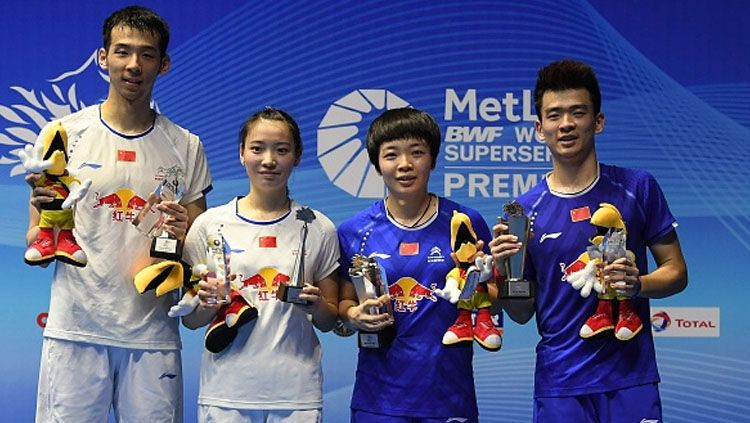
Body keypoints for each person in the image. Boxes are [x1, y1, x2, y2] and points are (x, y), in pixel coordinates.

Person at [26, 6, 212, 422]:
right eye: (123, 51)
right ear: (102, 57)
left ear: (163, 64)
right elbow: (33, 238)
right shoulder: (63, 135)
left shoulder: (186, 145)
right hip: (75, 330)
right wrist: (44, 216)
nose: (133, 65)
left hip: (153, 335)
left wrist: (186, 234)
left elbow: (200, 247)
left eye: (146, 55)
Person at [489, 59, 688, 423]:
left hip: (631, 380)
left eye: (577, 112)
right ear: (539, 128)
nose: (566, 124)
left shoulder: (637, 188)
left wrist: (638, 284)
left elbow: (676, 272)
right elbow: (520, 314)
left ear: (598, 121)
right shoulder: (524, 212)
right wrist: (505, 270)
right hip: (560, 385)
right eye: (554, 115)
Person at [338, 107, 500, 423]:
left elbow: (493, 296)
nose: (405, 165)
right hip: (378, 400)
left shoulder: (465, 222)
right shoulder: (354, 231)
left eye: (417, 153)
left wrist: (477, 283)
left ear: (433, 159)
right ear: (376, 164)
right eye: (391, 155)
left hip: (449, 396)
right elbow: (344, 304)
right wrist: (353, 315)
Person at [182, 107, 340, 423]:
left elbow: (329, 320)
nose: (269, 160)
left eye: (281, 150)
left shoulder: (319, 227)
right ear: (241, 154)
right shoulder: (209, 225)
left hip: (297, 394)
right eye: (257, 149)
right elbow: (191, 321)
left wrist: (317, 304)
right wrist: (207, 301)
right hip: (226, 392)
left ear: (297, 157)